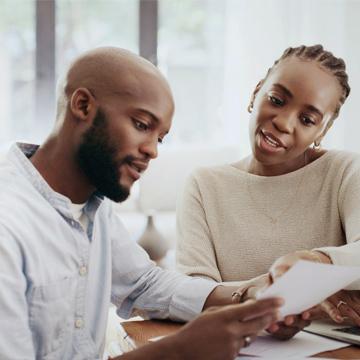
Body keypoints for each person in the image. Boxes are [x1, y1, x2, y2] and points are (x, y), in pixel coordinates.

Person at [0, 47, 283, 360]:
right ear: (82, 106)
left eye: (159, 137)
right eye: (141, 124)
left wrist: (250, 296)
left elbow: (144, 284)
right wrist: (179, 351)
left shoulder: (93, 205)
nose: (152, 151)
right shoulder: (8, 224)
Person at [176, 44, 360, 338]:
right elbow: (194, 294)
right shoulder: (204, 185)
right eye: (276, 100)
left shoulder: (345, 171)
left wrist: (316, 263)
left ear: (322, 131)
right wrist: (312, 292)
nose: (283, 123)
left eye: (308, 120)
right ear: (256, 92)